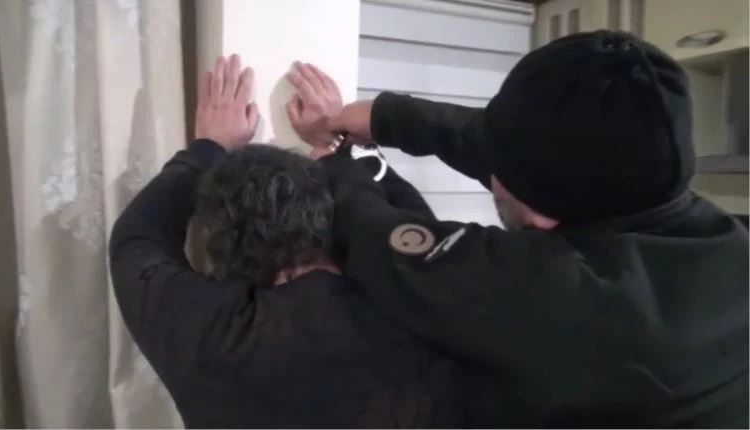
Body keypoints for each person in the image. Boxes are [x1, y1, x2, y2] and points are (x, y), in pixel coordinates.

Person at [286, 30, 749, 427]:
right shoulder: (699, 226)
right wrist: (385, 117)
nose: (490, 168)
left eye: (499, 170)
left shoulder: (572, 302)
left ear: (542, 216)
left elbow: (383, 245)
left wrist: (332, 160)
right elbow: (517, 146)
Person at [108, 54, 474, 428]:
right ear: (326, 217)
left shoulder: (209, 335)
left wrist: (208, 146)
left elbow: (137, 239)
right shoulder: (416, 299)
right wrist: (339, 145)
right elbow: (411, 229)